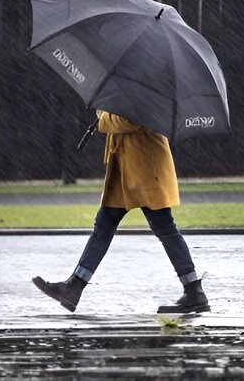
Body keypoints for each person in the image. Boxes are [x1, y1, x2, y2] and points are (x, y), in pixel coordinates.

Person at [32, 109, 209, 314]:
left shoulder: (144, 90)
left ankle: (194, 291)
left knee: (165, 228)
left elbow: (129, 121)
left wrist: (102, 115)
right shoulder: (132, 89)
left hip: (145, 172)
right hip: (126, 171)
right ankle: (74, 287)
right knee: (104, 226)